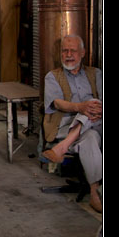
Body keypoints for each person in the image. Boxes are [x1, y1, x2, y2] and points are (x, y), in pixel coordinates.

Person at [41, 34, 103, 213]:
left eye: (73, 51)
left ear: (82, 53)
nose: (68, 54)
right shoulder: (52, 76)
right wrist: (80, 107)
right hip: (65, 125)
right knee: (89, 133)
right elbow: (57, 103)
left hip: (97, 121)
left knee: (93, 109)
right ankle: (95, 194)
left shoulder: (96, 73)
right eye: (64, 51)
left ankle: (62, 148)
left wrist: (93, 108)